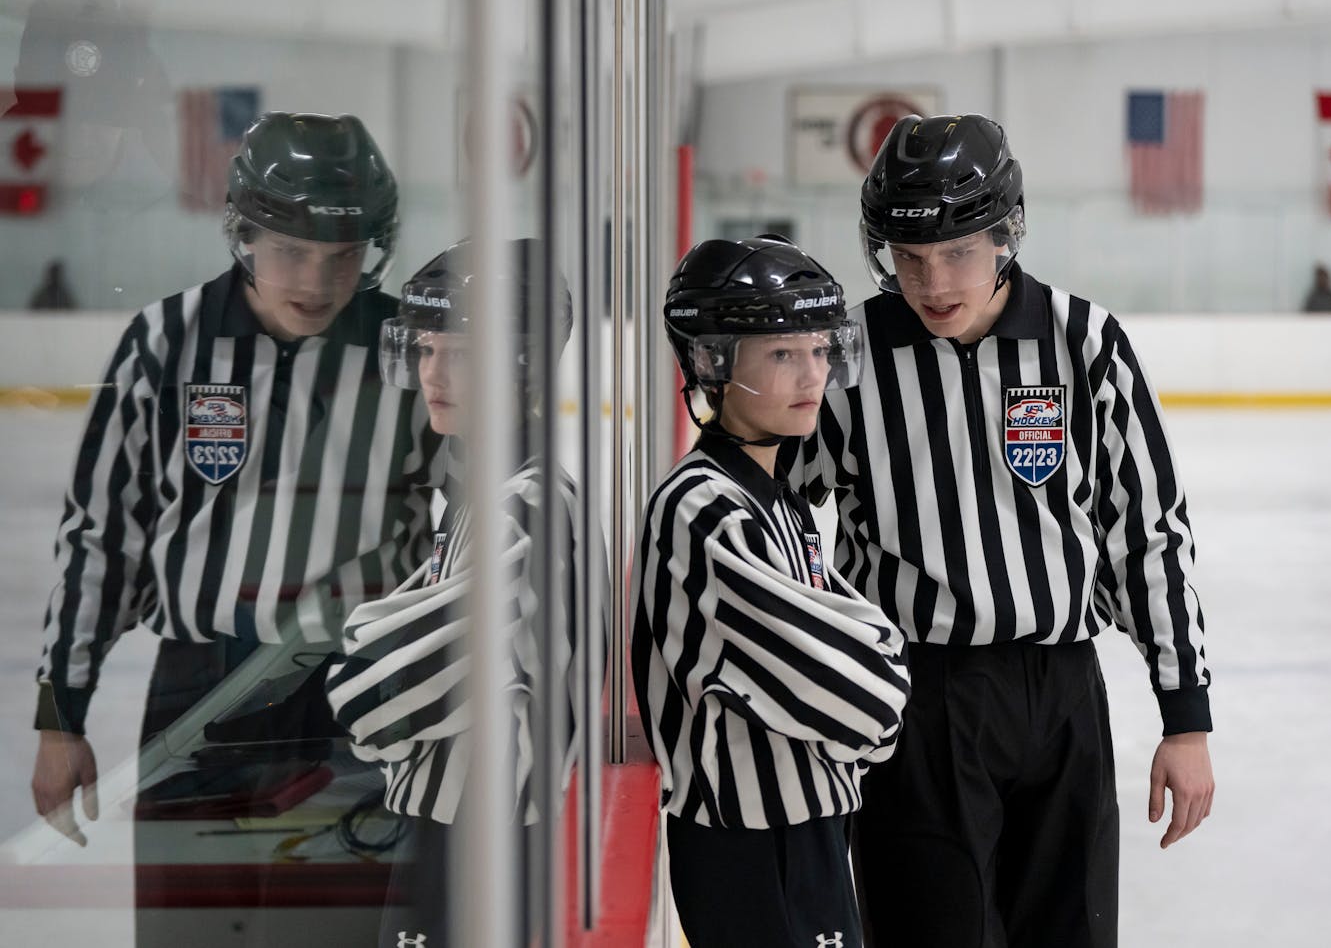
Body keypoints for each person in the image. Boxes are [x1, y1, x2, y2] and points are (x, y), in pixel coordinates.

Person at [784, 114, 1215, 947]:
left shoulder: (1085, 343)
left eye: (958, 253)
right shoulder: (850, 356)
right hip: (915, 697)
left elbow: (1147, 531)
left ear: (1006, 235)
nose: (932, 281)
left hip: (1061, 698)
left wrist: (1185, 715)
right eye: (909, 259)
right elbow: (780, 511)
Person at [30, 111, 443, 897]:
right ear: (242, 234)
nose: (319, 282)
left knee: (338, 929)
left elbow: (471, 523)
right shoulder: (165, 341)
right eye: (292, 251)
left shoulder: (409, 348)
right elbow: (101, 536)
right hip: (197, 688)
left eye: (344, 255)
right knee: (191, 921)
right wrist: (61, 712)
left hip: (354, 697)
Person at [633, 235, 911, 948]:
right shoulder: (705, 507)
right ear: (711, 361)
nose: (812, 373)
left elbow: (874, 647)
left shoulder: (776, 499)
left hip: (805, 834)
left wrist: (877, 654)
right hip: (753, 846)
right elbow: (865, 694)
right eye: (783, 354)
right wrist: (879, 664)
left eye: (819, 350)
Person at [326, 239, 583, 945]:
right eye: (429, 349)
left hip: (482, 845)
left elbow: (373, 689)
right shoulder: (480, 486)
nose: (434, 373)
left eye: (463, 354)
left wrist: (361, 647)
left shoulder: (521, 501)